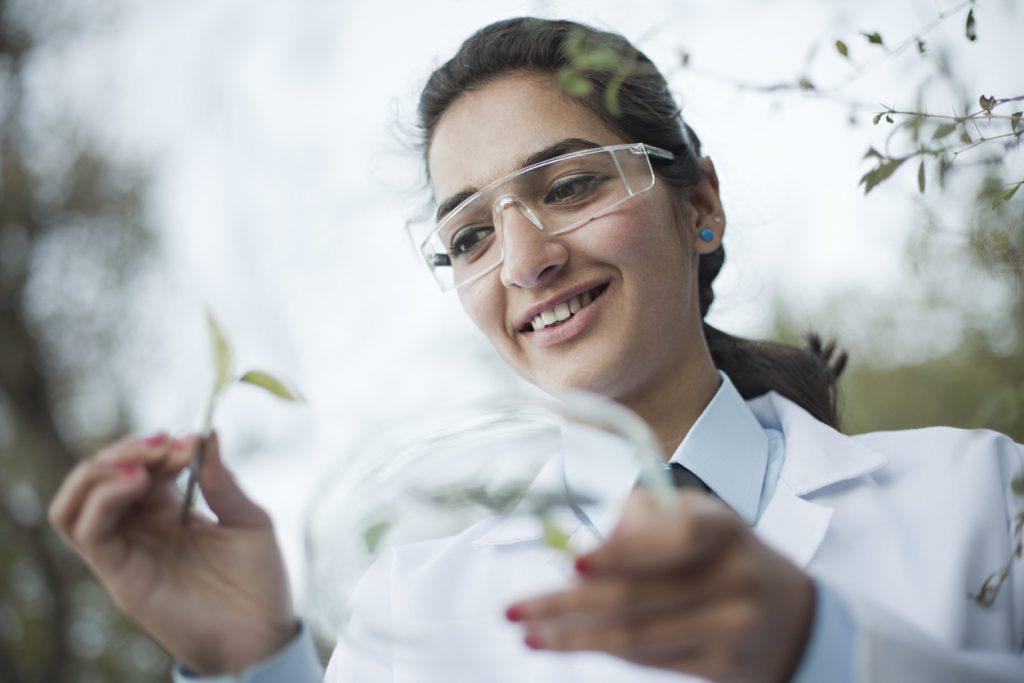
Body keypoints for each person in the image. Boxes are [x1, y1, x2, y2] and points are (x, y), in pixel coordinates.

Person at [48, 16, 1023, 683]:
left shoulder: (981, 493)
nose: (524, 259)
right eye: (469, 234)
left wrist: (822, 645)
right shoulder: (409, 610)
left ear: (701, 205)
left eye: (565, 187)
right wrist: (255, 656)